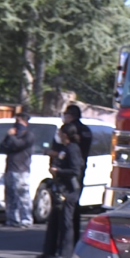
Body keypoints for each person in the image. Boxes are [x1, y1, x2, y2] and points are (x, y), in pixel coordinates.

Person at [37, 123, 84, 258]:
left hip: (69, 190)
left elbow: (75, 170)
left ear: (65, 135)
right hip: (60, 188)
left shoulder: (73, 149)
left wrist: (59, 171)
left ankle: (66, 253)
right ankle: (48, 251)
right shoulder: (64, 149)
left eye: (60, 132)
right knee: (54, 221)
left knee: (66, 222)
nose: (58, 134)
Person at [48, 104, 92, 243]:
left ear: (70, 115)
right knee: (71, 208)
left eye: (65, 115)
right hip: (73, 172)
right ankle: (68, 242)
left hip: (69, 173)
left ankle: (63, 243)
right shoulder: (84, 130)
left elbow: (68, 152)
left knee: (65, 210)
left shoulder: (72, 131)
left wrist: (55, 155)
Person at [0, 112, 35, 228]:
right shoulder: (12, 136)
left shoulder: (28, 135)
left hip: (21, 170)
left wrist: (11, 136)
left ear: (25, 122)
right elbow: (2, 147)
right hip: (10, 169)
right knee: (10, 196)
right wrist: (7, 136)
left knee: (23, 196)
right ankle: (12, 219)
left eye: (18, 121)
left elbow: (19, 145)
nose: (16, 125)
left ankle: (26, 219)